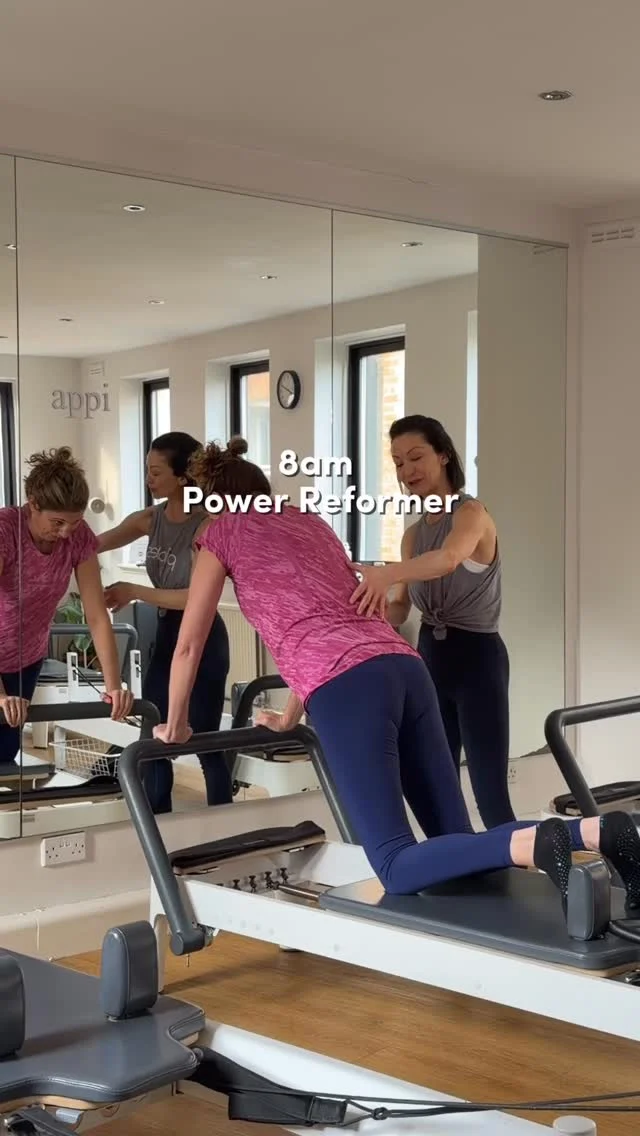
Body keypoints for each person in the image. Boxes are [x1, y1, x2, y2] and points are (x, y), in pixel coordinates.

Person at [148, 436, 640, 913]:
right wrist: (291, 713)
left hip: (350, 690)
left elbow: (191, 641)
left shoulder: (221, 533)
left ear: (212, 503)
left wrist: (176, 725)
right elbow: (327, 616)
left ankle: (533, 844)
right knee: (456, 841)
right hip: (405, 666)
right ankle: (595, 831)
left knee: (395, 864)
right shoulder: (311, 523)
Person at [351, 414, 515, 830]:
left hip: (478, 660)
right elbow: (402, 607)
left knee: (489, 793)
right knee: (437, 786)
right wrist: (361, 614)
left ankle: (535, 883)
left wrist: (386, 574)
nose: (407, 471)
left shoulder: (472, 514)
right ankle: (465, 878)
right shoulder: (411, 536)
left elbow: (446, 560)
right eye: (398, 462)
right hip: (429, 659)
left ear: (443, 455)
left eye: (416, 457)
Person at [97, 430, 231, 813]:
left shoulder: (206, 526)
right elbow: (92, 542)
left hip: (203, 638)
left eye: (156, 473)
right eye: (147, 470)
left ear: (183, 477)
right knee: (154, 733)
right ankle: (159, 820)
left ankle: (224, 820)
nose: (148, 480)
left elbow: (196, 598)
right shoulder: (150, 518)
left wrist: (135, 591)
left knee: (206, 740)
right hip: (167, 633)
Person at [0, 447, 134, 760]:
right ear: (33, 504)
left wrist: (114, 687)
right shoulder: (6, 530)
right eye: (57, 522)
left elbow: (97, 615)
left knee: (5, 754)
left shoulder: (78, 537)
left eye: (74, 522)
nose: (65, 533)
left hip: (25, 658)